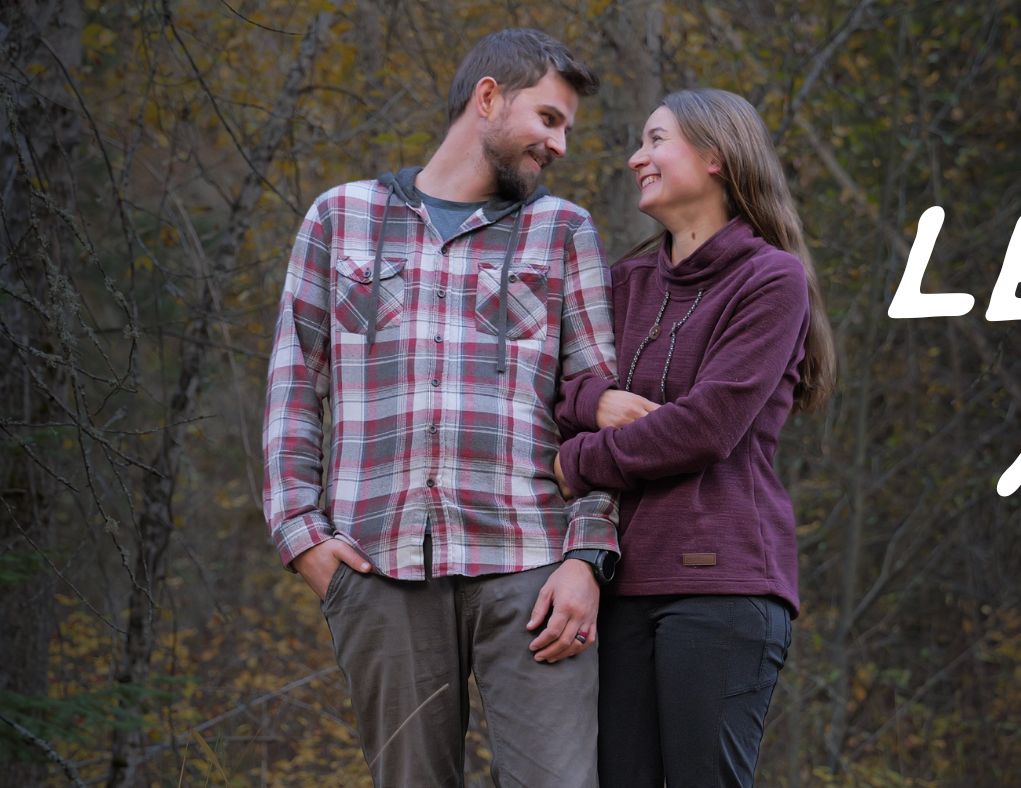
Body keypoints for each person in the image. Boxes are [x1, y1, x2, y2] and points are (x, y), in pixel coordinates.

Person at [261, 29, 621, 787]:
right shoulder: (340, 219)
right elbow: (294, 385)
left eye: (565, 129)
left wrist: (588, 557)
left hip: (533, 569)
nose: (559, 144)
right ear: (488, 98)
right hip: (378, 569)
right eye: (549, 119)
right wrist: (302, 536)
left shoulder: (564, 232)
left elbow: (595, 407)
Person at [552, 88, 837, 788]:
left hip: (725, 585)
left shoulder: (771, 279)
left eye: (655, 141)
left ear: (715, 157)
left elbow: (706, 429)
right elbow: (559, 390)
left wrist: (579, 458)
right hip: (620, 586)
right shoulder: (622, 284)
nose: (635, 158)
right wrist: (596, 402)